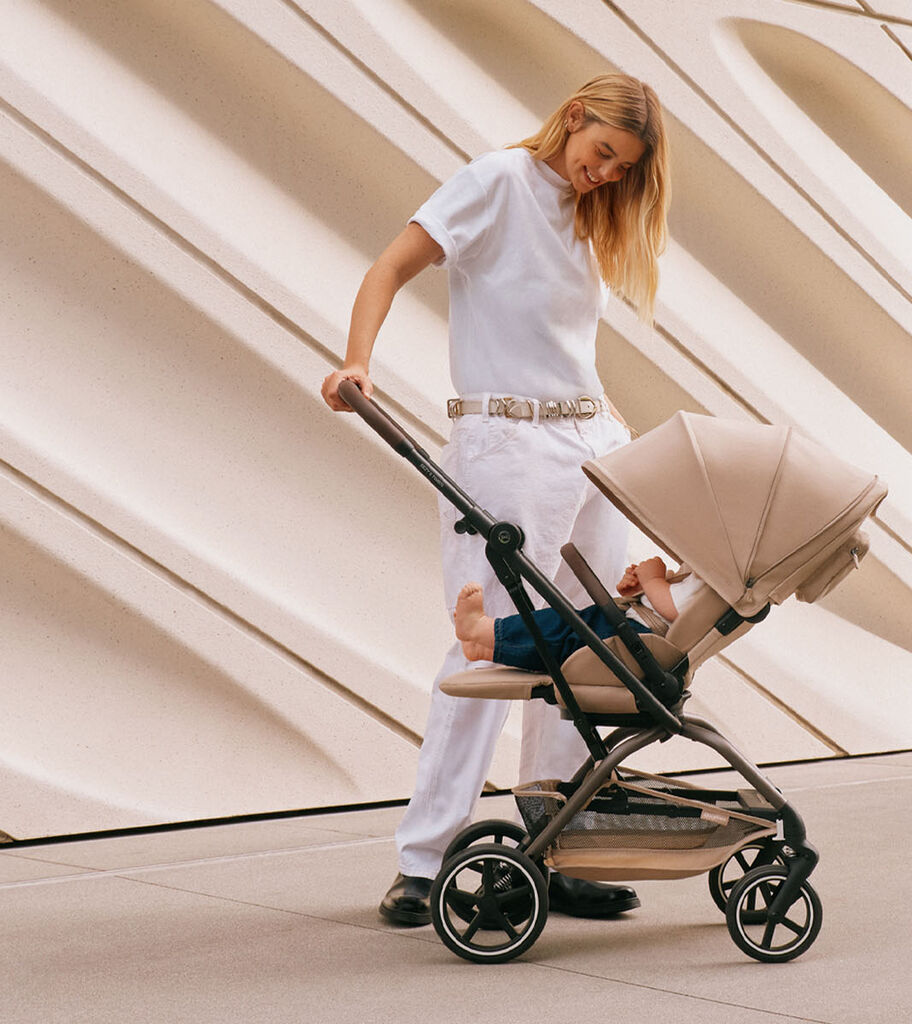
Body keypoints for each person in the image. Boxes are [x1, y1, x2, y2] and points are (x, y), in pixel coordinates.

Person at [321, 73, 670, 927]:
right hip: (507, 446)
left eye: (620, 170)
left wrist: (620, 442)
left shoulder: (586, 220)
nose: (604, 176)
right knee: (491, 648)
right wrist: (356, 360)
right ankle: (424, 861)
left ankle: (559, 839)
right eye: (601, 155)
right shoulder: (496, 182)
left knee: (589, 642)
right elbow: (389, 267)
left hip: (591, 442)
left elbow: (566, 353)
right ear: (575, 116)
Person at [453, 556, 694, 670]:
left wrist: (652, 578)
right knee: (565, 642)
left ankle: (481, 629)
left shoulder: (718, 580)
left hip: (637, 641)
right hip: (634, 632)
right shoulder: (704, 570)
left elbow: (676, 611)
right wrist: (640, 589)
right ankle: (488, 647)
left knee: (561, 630)